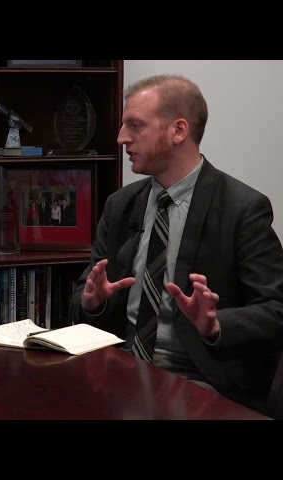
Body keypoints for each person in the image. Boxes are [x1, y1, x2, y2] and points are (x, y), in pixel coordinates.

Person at [69, 74, 283, 413]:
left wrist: (216, 325)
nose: (121, 137)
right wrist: (92, 303)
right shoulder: (120, 205)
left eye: (135, 125)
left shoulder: (242, 209)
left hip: (199, 377)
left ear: (179, 130)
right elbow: (84, 297)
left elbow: (276, 310)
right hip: (121, 366)